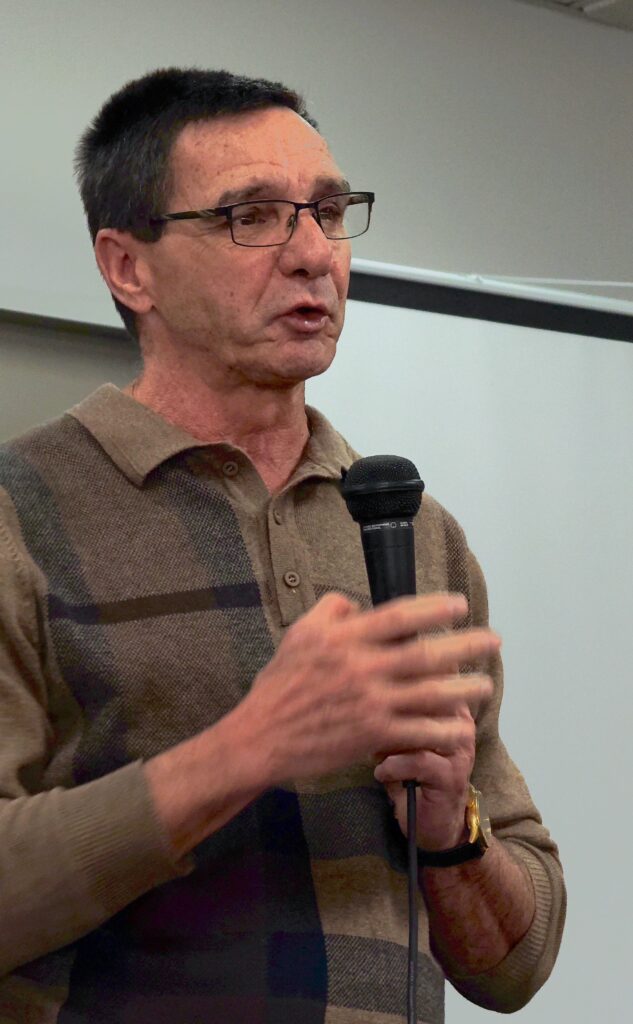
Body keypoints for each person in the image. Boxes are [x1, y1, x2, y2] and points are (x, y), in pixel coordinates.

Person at [0, 68, 565, 1023]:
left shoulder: (414, 530)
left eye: (329, 212)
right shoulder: (19, 513)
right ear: (128, 267)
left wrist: (450, 834)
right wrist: (246, 750)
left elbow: (517, 967)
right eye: (251, 217)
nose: (313, 255)